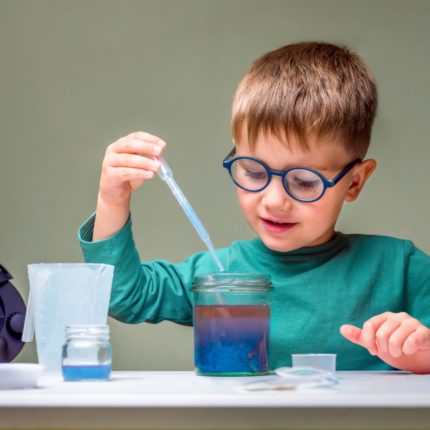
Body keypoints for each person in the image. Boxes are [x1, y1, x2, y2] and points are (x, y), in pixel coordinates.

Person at [78, 42, 430, 373]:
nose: (274, 200)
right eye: (254, 171)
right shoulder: (220, 276)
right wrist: (112, 199)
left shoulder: (401, 269)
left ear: (354, 182)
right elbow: (125, 294)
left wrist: (421, 355)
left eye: (304, 181)